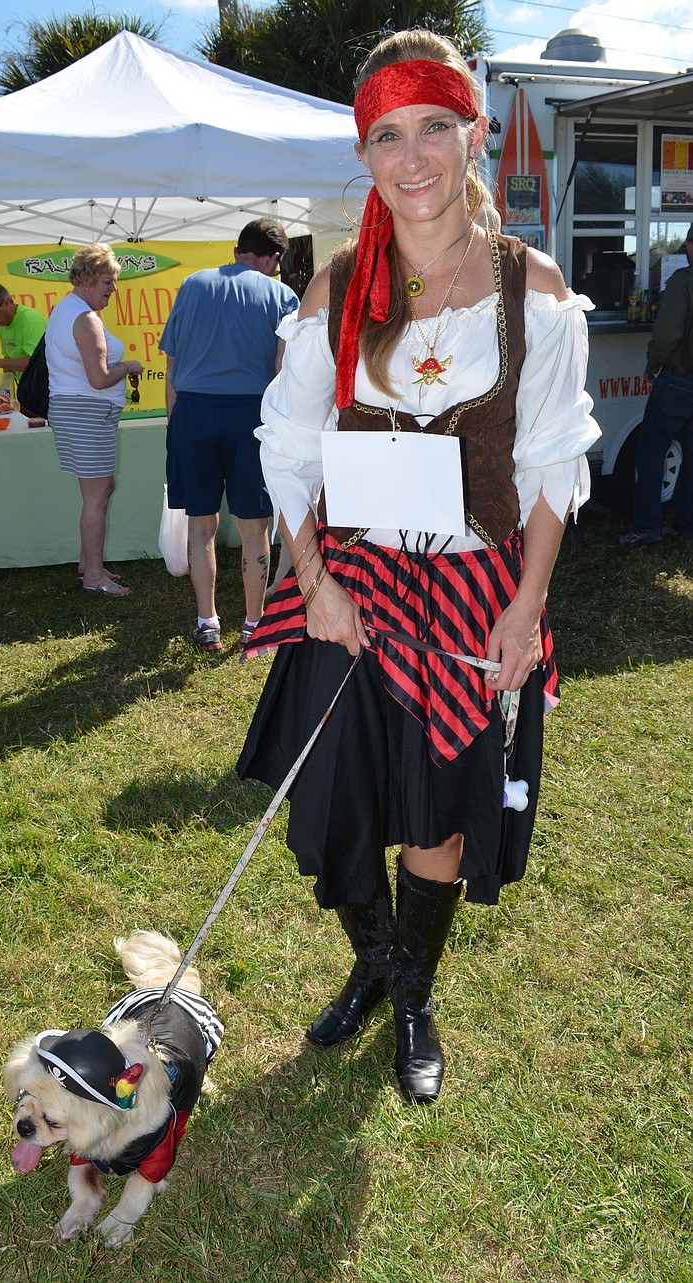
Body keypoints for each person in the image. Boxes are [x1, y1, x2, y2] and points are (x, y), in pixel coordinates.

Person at [236, 29, 600, 1105]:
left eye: (433, 126)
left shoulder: (528, 284)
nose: (411, 157)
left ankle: (412, 995)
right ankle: (371, 958)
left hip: (473, 587)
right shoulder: (336, 284)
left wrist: (527, 607)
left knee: (439, 805)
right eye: (385, 134)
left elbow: (550, 461)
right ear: (365, 152)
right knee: (341, 802)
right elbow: (288, 448)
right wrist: (313, 576)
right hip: (351, 584)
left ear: (473, 134)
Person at [159, 218, 298, 652]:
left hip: (193, 412)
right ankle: (254, 624)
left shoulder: (192, 284)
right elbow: (283, 371)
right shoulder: (282, 295)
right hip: (250, 417)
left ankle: (207, 620)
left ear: (239, 249)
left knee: (201, 524)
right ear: (273, 258)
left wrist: (174, 422)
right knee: (254, 526)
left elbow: (171, 363)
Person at [44, 243, 143, 595]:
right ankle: (93, 576)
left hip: (76, 410)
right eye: (107, 282)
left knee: (99, 491)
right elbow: (99, 378)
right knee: (97, 496)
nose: (113, 290)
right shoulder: (85, 319)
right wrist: (129, 366)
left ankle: (89, 564)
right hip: (85, 411)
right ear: (85, 279)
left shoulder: (66, 309)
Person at [618, 224, 693, 548]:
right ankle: (687, 524)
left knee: (650, 451)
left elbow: (667, 335)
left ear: (690, 245)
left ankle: (648, 526)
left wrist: (653, 366)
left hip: (679, 379)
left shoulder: (683, 281)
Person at [0, 284, 47, 388]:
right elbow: (8, 361)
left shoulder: (30, 321)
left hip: (44, 386)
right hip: (27, 386)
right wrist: (5, 391)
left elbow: (34, 363)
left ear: (7, 303)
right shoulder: (2, 324)